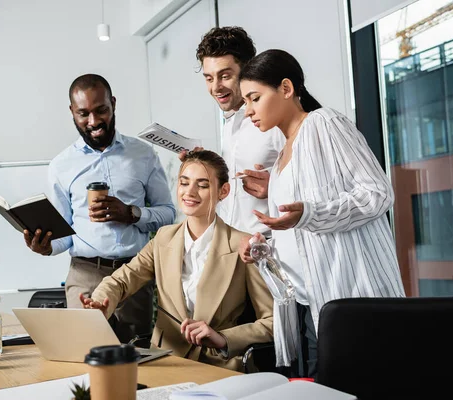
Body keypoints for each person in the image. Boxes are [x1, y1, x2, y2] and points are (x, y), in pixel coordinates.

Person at [238, 49, 405, 378]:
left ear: (286, 89)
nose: (248, 112)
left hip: (346, 301)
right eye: (246, 102)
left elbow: (377, 194)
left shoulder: (325, 124)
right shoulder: (283, 152)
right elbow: (302, 230)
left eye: (254, 98)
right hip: (305, 304)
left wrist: (308, 213)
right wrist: (265, 246)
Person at [81, 150, 274, 372]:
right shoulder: (164, 238)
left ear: (224, 191)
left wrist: (222, 338)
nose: (190, 192)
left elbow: (271, 322)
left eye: (202, 185)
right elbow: (122, 281)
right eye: (184, 183)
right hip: (164, 362)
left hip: (219, 366)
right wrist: (100, 303)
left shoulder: (243, 245)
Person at [24, 74, 176, 345]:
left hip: (133, 274)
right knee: (84, 355)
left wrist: (132, 213)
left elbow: (168, 214)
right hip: (85, 275)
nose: (93, 122)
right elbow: (65, 235)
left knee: (136, 357)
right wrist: (46, 247)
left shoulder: (143, 154)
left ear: (113, 104)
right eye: (83, 113)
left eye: (100, 110)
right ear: (72, 112)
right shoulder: (61, 165)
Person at [180, 26, 284, 237]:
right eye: (209, 78)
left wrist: (275, 188)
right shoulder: (230, 125)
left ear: (247, 71)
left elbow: (313, 185)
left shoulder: (274, 120)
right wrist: (204, 165)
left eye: (224, 76)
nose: (216, 87)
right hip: (235, 246)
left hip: (271, 246)